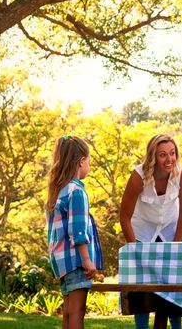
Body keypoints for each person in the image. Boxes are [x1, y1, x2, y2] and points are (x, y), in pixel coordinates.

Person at [119, 133, 182, 329]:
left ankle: (176, 327)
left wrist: (176, 243)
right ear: (153, 157)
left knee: (172, 285)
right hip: (142, 232)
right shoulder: (138, 177)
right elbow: (124, 215)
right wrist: (134, 247)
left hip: (169, 230)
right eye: (162, 155)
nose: (169, 159)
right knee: (141, 287)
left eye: (172, 153)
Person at [45, 135, 103, 329]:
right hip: (76, 260)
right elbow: (78, 231)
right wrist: (87, 260)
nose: (89, 166)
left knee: (69, 311)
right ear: (81, 161)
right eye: (89, 161)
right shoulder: (76, 191)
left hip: (62, 262)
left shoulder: (58, 190)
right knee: (78, 312)